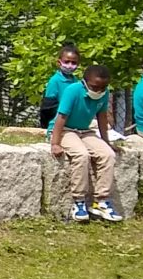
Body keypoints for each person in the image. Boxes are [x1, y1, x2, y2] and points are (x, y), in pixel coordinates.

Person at [49, 63, 124, 223]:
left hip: (85, 130)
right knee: (81, 154)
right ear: (85, 82)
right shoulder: (73, 91)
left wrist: (106, 142)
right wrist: (55, 143)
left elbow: (102, 117)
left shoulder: (103, 94)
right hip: (66, 130)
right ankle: (79, 201)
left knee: (107, 155)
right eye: (94, 87)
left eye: (103, 87)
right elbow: (61, 118)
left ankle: (101, 201)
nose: (98, 91)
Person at [39, 43, 82, 130]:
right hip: (57, 121)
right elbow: (48, 108)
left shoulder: (75, 81)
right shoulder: (55, 81)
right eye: (67, 62)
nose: (70, 65)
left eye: (74, 63)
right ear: (59, 62)